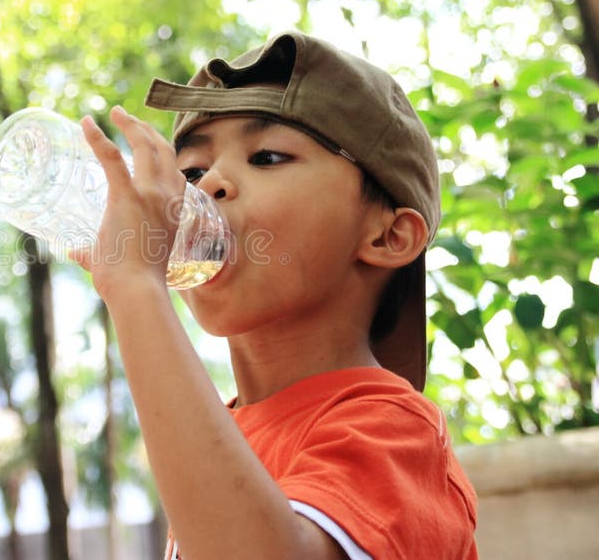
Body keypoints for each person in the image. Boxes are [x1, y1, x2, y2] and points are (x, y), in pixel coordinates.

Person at [71, 31, 478, 559]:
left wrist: (134, 291)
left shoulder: (394, 430)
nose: (209, 183)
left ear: (387, 236)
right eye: (190, 172)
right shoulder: (216, 432)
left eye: (265, 157)